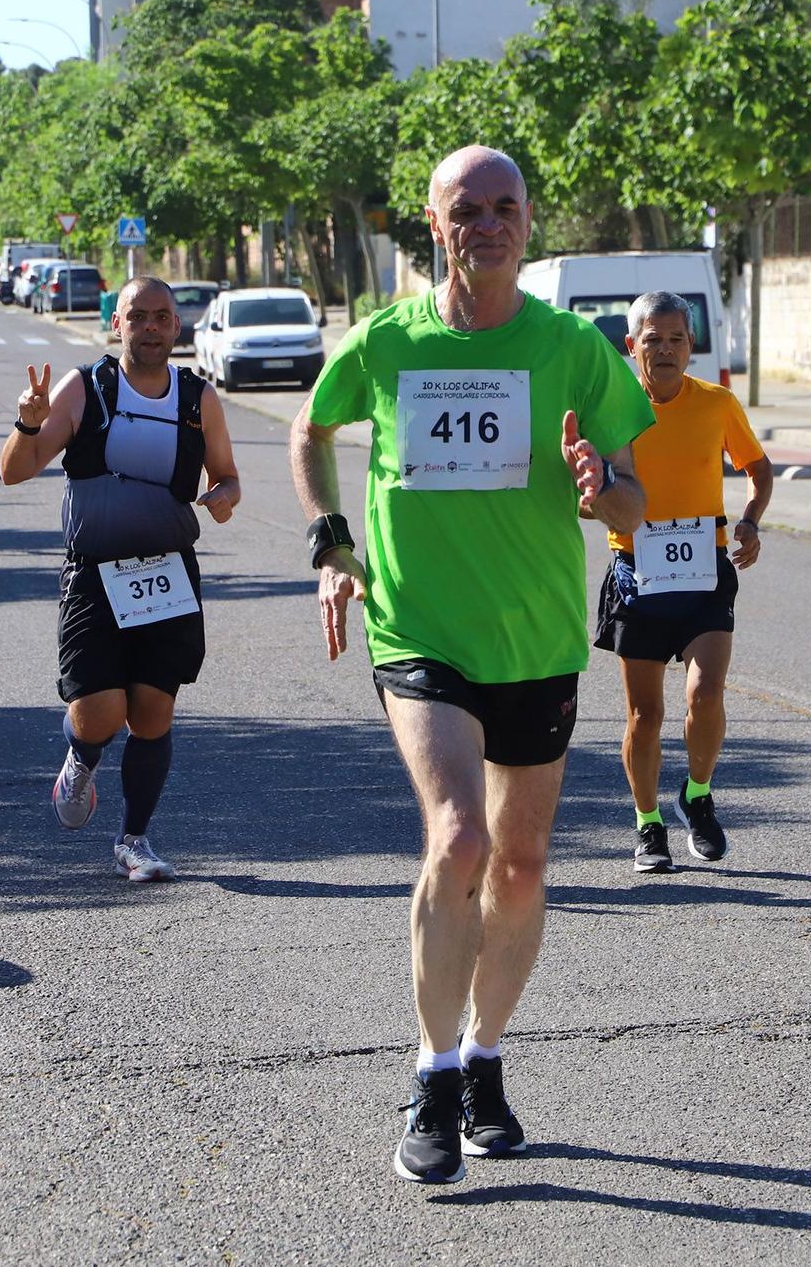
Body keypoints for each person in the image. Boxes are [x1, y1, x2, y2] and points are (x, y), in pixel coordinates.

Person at [288, 146, 652, 1185]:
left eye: (505, 207)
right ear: (434, 224)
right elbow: (310, 431)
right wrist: (329, 538)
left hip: (533, 639)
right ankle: (433, 1073)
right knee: (457, 840)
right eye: (466, 209)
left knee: (522, 865)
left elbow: (632, 500)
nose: (487, 224)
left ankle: (487, 1053)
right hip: (418, 632)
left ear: (527, 223)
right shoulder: (387, 341)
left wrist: (600, 491)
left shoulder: (575, 348)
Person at [0, 277, 241, 883]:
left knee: (154, 710)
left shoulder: (197, 398)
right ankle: (81, 758)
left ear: (176, 328)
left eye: (163, 316)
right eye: (139, 316)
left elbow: (229, 477)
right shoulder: (86, 388)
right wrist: (28, 425)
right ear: (117, 323)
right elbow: (13, 471)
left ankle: (134, 839)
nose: (152, 326)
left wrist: (221, 497)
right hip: (94, 575)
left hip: (166, 571)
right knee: (101, 713)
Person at [594, 292, 773, 874]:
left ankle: (697, 794)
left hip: (706, 570)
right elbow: (582, 492)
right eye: (653, 339)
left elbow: (758, 467)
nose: (665, 349)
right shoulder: (611, 409)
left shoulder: (716, 404)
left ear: (691, 348)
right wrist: (592, 501)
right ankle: (648, 825)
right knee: (646, 715)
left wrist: (749, 521)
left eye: (676, 339)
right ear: (631, 346)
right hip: (636, 573)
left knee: (707, 693)